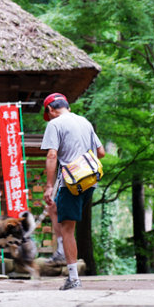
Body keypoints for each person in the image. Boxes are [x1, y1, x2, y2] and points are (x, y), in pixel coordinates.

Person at [41, 92, 105, 290]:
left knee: (68, 228)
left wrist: (49, 186)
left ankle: (73, 278)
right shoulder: (85, 121)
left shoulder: (55, 124)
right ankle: (64, 256)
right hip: (90, 181)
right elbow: (101, 152)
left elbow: (52, 155)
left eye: (48, 113)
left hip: (71, 183)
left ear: (51, 109)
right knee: (57, 213)